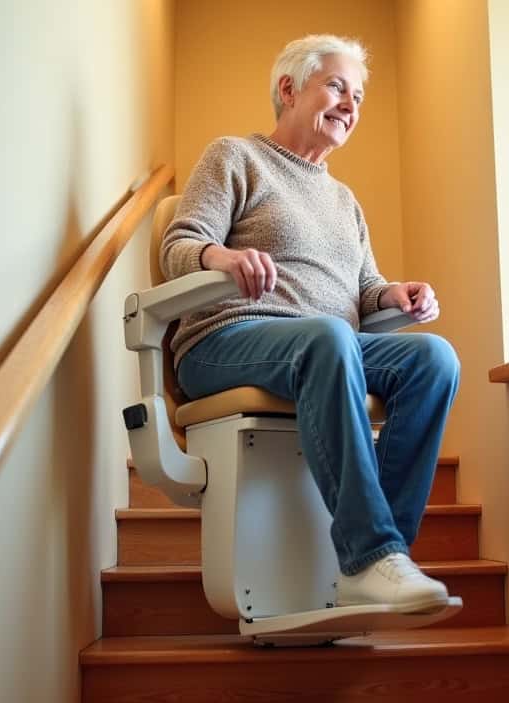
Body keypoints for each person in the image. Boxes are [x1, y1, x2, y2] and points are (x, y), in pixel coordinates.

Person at [160, 34, 460, 612]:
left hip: (327, 346)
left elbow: (365, 291)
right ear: (289, 89)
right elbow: (180, 244)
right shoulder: (234, 157)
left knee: (433, 359)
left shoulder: (345, 201)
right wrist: (221, 257)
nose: (352, 103)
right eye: (337, 86)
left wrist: (396, 294)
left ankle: (386, 559)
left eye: (360, 95)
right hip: (226, 342)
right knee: (329, 337)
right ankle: (368, 554)